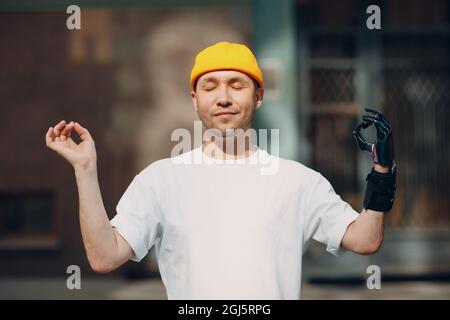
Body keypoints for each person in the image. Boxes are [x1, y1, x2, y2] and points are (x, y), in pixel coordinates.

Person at [45, 41, 396, 299]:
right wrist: (85, 170)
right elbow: (104, 257)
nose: (223, 97)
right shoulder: (159, 180)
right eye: (210, 86)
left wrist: (382, 171)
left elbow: (365, 240)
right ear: (194, 98)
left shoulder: (298, 181)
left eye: (236, 85)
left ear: (258, 96)